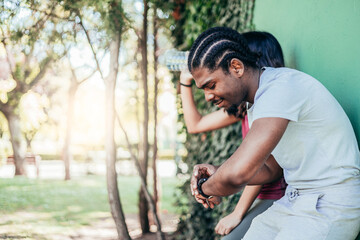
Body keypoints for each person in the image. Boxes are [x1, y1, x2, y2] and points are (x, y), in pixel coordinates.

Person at [187, 27, 360, 240]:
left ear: (236, 67)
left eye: (211, 85)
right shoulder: (257, 103)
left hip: (329, 203)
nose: (207, 96)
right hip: (294, 201)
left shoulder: (280, 87)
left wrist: (206, 188)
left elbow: (238, 174)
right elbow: (270, 168)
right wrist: (217, 172)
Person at [179, 31, 286, 239]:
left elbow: (261, 165)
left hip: (276, 195)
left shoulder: (274, 104)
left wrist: (237, 211)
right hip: (260, 196)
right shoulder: (243, 107)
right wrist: (185, 81)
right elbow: (195, 124)